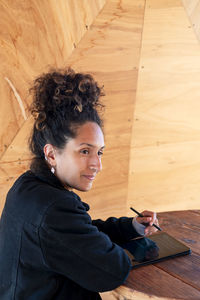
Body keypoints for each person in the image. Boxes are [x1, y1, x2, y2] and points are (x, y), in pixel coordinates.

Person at [0, 68, 159, 299]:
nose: (97, 165)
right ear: (52, 154)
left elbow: (79, 233)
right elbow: (112, 271)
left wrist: (130, 227)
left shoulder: (27, 187)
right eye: (85, 151)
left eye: (99, 152)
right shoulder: (55, 207)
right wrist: (127, 251)